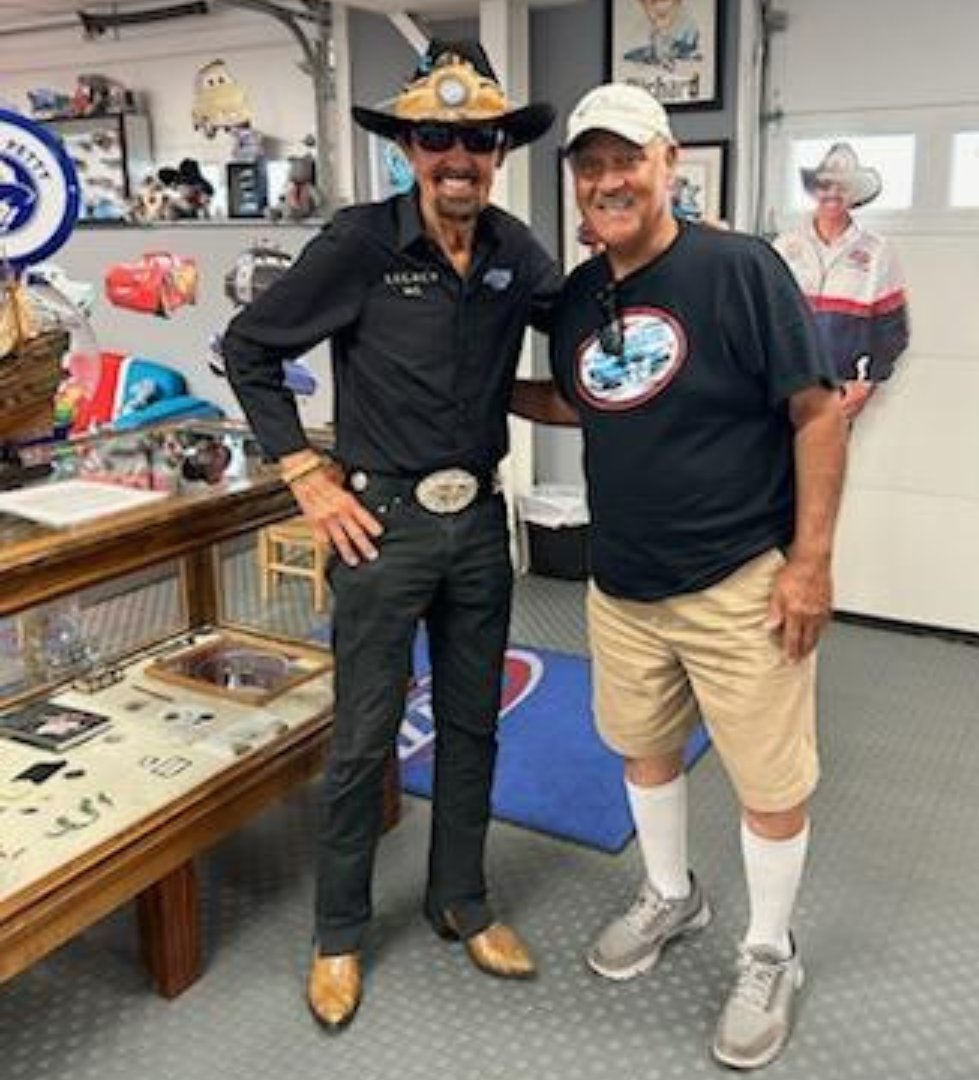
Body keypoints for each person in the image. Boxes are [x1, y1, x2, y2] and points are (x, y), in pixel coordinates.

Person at [222, 40, 561, 1032]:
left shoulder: (513, 248)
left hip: (480, 525)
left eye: (476, 138)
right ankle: (337, 934)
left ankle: (463, 900)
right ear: (411, 145)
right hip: (383, 526)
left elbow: (579, 333)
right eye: (436, 136)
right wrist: (307, 479)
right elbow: (249, 349)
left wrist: (623, 389)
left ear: (499, 147)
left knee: (473, 723)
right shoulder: (361, 244)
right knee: (366, 736)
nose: (458, 155)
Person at [512, 83, 847, 1070]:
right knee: (644, 748)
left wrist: (811, 564)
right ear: (576, 184)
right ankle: (673, 894)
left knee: (770, 782)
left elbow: (817, 412)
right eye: (590, 164)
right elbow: (593, 397)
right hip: (622, 584)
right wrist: (481, 391)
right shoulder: (582, 294)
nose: (609, 179)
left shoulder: (738, 269)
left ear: (668, 165)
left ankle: (768, 951)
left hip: (738, 579)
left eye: (627, 160)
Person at [773, 142, 910, 423]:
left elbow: (893, 328)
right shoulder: (785, 245)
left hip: (841, 388)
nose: (832, 193)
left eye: (842, 186)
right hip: (787, 380)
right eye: (825, 185)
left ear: (855, 194)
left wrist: (867, 382)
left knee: (824, 464)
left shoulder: (877, 251)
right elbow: (766, 316)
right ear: (815, 190)